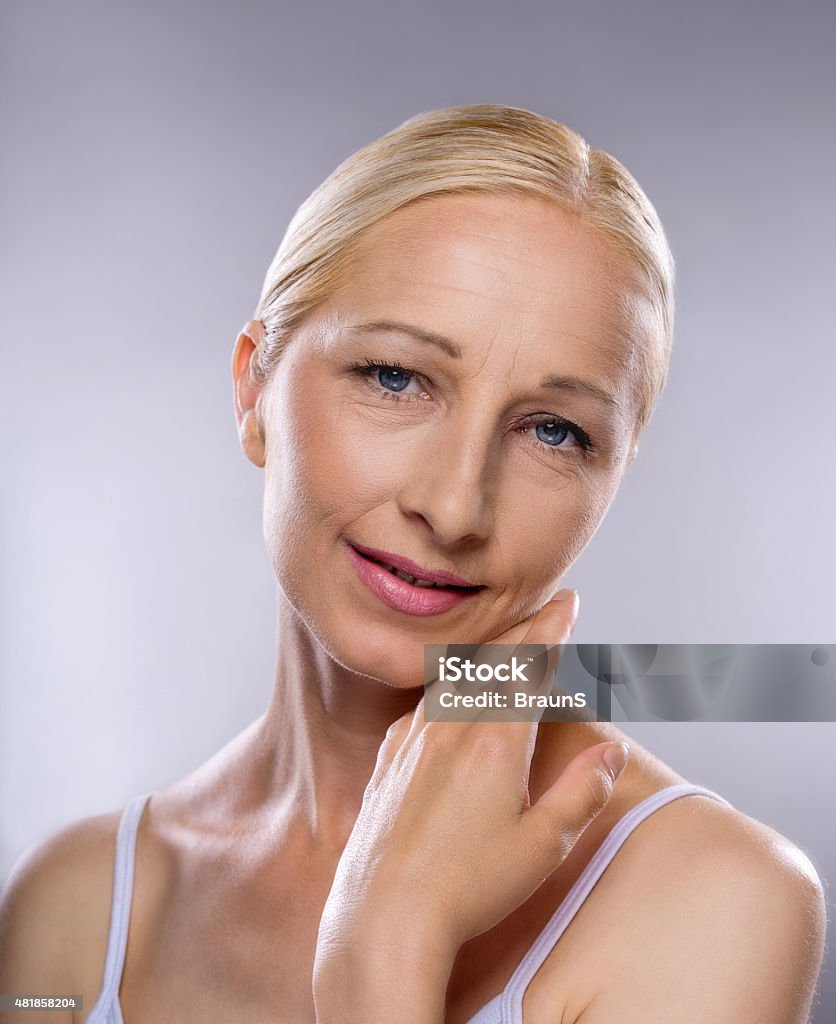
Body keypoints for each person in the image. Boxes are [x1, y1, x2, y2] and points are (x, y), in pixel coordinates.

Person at [0, 104, 826, 1024]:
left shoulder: (714, 900)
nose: (454, 505)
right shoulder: (71, 907)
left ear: (613, 475)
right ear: (254, 388)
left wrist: (386, 949)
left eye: (554, 431)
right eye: (396, 378)